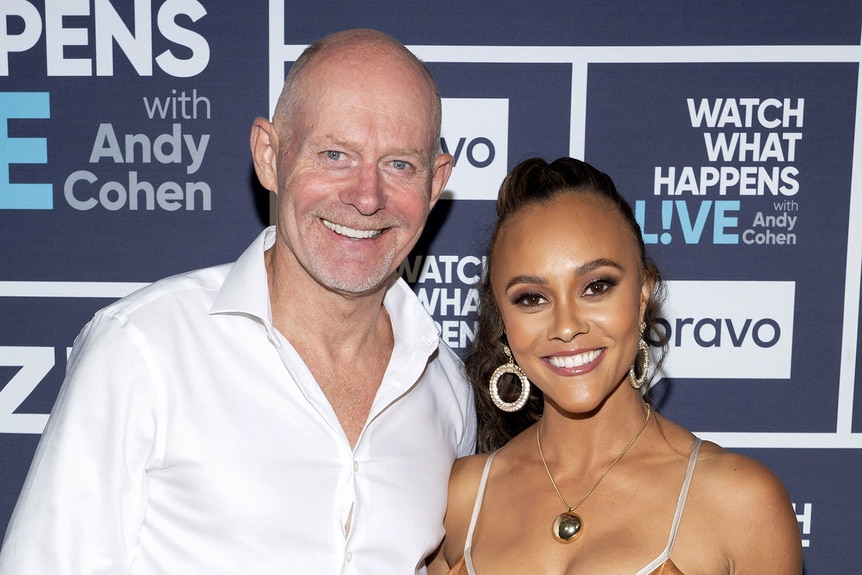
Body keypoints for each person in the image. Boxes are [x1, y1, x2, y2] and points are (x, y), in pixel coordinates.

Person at [0, 29, 476, 574]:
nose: (366, 197)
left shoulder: (446, 391)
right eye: (335, 154)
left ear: (436, 183)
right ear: (269, 156)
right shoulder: (143, 350)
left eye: (399, 165)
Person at [427, 157, 802, 574]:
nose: (566, 327)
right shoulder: (463, 496)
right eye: (531, 298)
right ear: (502, 317)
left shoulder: (740, 501)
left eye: (596, 286)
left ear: (643, 295)